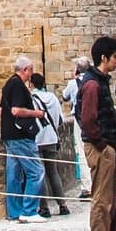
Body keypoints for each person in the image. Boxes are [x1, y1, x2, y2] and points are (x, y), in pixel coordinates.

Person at [75, 36, 116, 231]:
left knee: (109, 197)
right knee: (102, 197)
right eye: (115, 57)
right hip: (100, 147)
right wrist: (103, 145)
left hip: (105, 145)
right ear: (103, 58)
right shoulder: (93, 84)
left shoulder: (98, 81)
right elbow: (87, 118)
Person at [0, 55, 48, 221]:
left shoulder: (8, 84)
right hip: (20, 135)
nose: (31, 74)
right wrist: (37, 114)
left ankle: (14, 212)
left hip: (8, 134)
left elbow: (1, 110)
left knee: (14, 174)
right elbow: (16, 110)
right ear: (25, 70)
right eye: (31, 70)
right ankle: (29, 211)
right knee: (36, 171)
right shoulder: (18, 85)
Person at [31, 71, 71, 217]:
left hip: (36, 139)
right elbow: (60, 119)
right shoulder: (53, 98)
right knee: (53, 173)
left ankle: (44, 207)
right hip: (52, 138)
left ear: (31, 84)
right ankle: (62, 205)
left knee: (40, 174)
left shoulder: (31, 98)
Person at [63, 57, 91, 192]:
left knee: (81, 152)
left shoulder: (74, 83)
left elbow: (64, 96)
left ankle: (87, 186)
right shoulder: (93, 80)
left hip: (79, 120)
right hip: (93, 120)